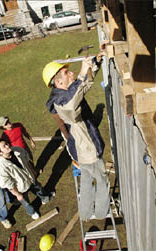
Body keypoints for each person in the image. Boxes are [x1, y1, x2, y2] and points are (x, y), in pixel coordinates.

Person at [42, 46, 110, 220]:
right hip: (87, 150)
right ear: (58, 82)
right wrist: (81, 73)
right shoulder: (60, 101)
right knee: (102, 182)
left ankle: (86, 213)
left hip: (81, 150)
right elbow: (72, 103)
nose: (71, 74)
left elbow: (84, 86)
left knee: (87, 182)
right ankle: (101, 212)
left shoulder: (66, 92)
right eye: (67, 74)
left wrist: (95, 62)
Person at [0, 139, 54, 220]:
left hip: (30, 178)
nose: (8, 146)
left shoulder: (17, 150)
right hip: (21, 188)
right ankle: (32, 212)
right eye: (4, 146)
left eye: (7, 143)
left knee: (38, 188)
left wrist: (33, 170)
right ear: (0, 152)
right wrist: (18, 194)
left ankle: (45, 198)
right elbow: (8, 184)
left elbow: (27, 160)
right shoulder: (1, 168)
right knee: (25, 202)